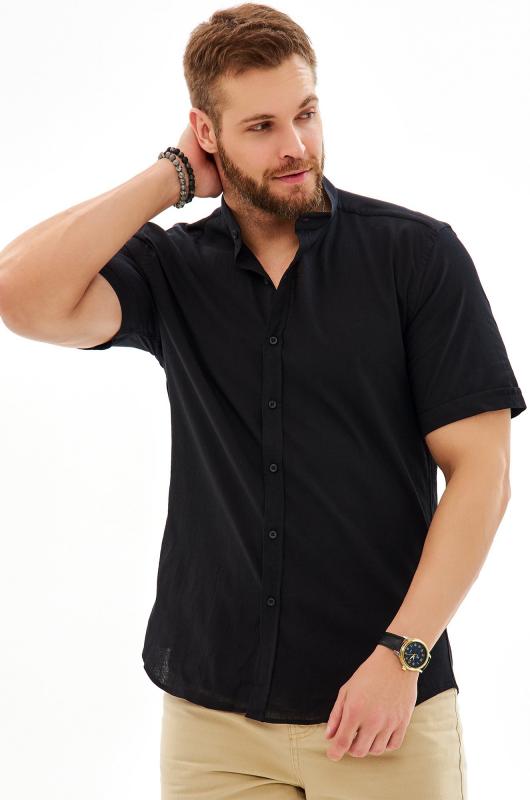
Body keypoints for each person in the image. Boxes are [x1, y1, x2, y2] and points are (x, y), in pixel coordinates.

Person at [0, 4, 526, 799]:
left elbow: (483, 476)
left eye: (306, 114)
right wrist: (169, 178)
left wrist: (403, 655)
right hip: (214, 722)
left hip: (380, 707)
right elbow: (20, 295)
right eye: (260, 127)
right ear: (205, 133)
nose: (295, 147)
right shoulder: (174, 271)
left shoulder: (416, 256)